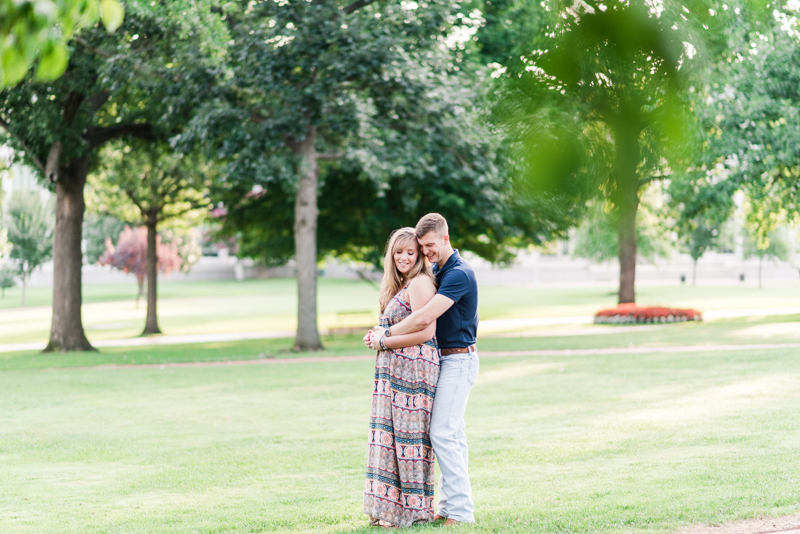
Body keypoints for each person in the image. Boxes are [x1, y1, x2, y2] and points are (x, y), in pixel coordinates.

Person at [368, 213, 479, 527]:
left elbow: (424, 318)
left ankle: (461, 512)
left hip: (459, 360)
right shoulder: (441, 271)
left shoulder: (459, 273)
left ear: (445, 237)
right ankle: (448, 506)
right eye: (422, 246)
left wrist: (385, 335)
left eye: (429, 245)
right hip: (447, 359)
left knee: (442, 433)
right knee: (451, 434)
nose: (426, 251)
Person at [362, 227, 440, 528]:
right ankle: (388, 509)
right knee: (389, 438)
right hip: (393, 370)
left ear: (420, 254)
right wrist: (378, 338)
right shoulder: (400, 284)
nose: (404, 257)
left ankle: (411, 511)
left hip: (414, 371)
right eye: (399, 252)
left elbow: (427, 331)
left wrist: (384, 341)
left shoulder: (420, 282)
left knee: (408, 440)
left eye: (411, 252)